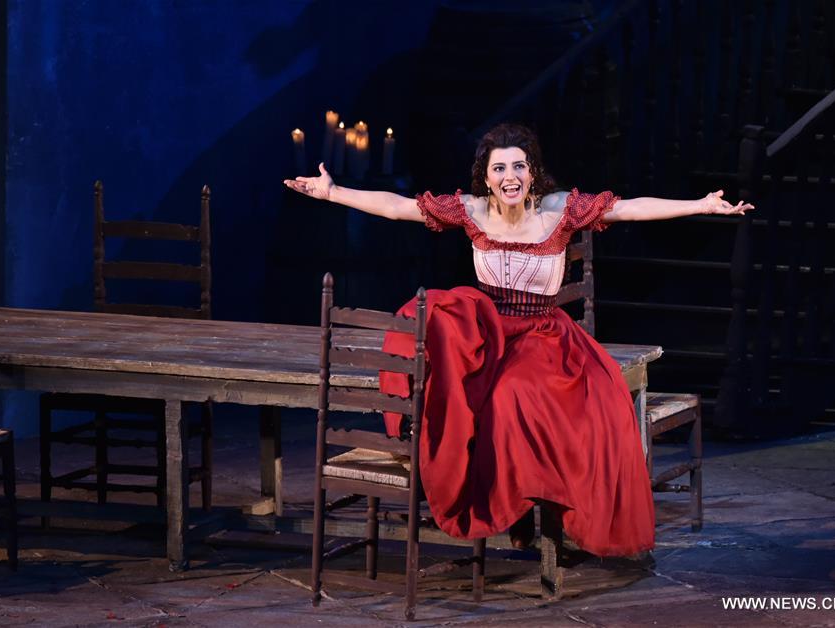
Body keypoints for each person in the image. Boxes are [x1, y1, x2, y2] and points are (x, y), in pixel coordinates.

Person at [284, 123, 751, 557]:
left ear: (533, 173)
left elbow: (629, 208)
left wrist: (700, 206)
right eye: (500, 168)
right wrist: (332, 192)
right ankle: (456, 467)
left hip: (545, 335)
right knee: (439, 325)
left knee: (517, 396)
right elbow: (398, 207)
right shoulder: (470, 210)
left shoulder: (560, 210)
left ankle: (538, 508)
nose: (510, 176)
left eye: (519, 166)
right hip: (488, 329)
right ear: (486, 178)